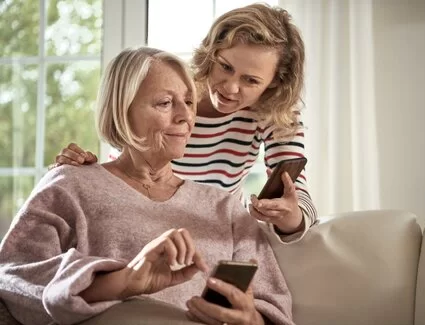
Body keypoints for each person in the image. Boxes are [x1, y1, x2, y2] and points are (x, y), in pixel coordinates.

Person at [0, 47, 294, 325]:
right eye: (165, 103)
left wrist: (251, 319)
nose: (185, 116)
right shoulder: (70, 183)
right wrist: (122, 281)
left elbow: (274, 304)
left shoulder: (224, 207)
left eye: (189, 102)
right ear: (122, 110)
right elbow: (12, 277)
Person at [54, 3, 318, 244]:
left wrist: (288, 216)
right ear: (212, 52)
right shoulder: (174, 86)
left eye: (250, 80)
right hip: (140, 219)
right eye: (225, 67)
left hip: (210, 233)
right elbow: (127, 156)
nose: (230, 87)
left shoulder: (275, 114)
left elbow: (299, 200)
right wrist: (86, 173)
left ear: (274, 82)